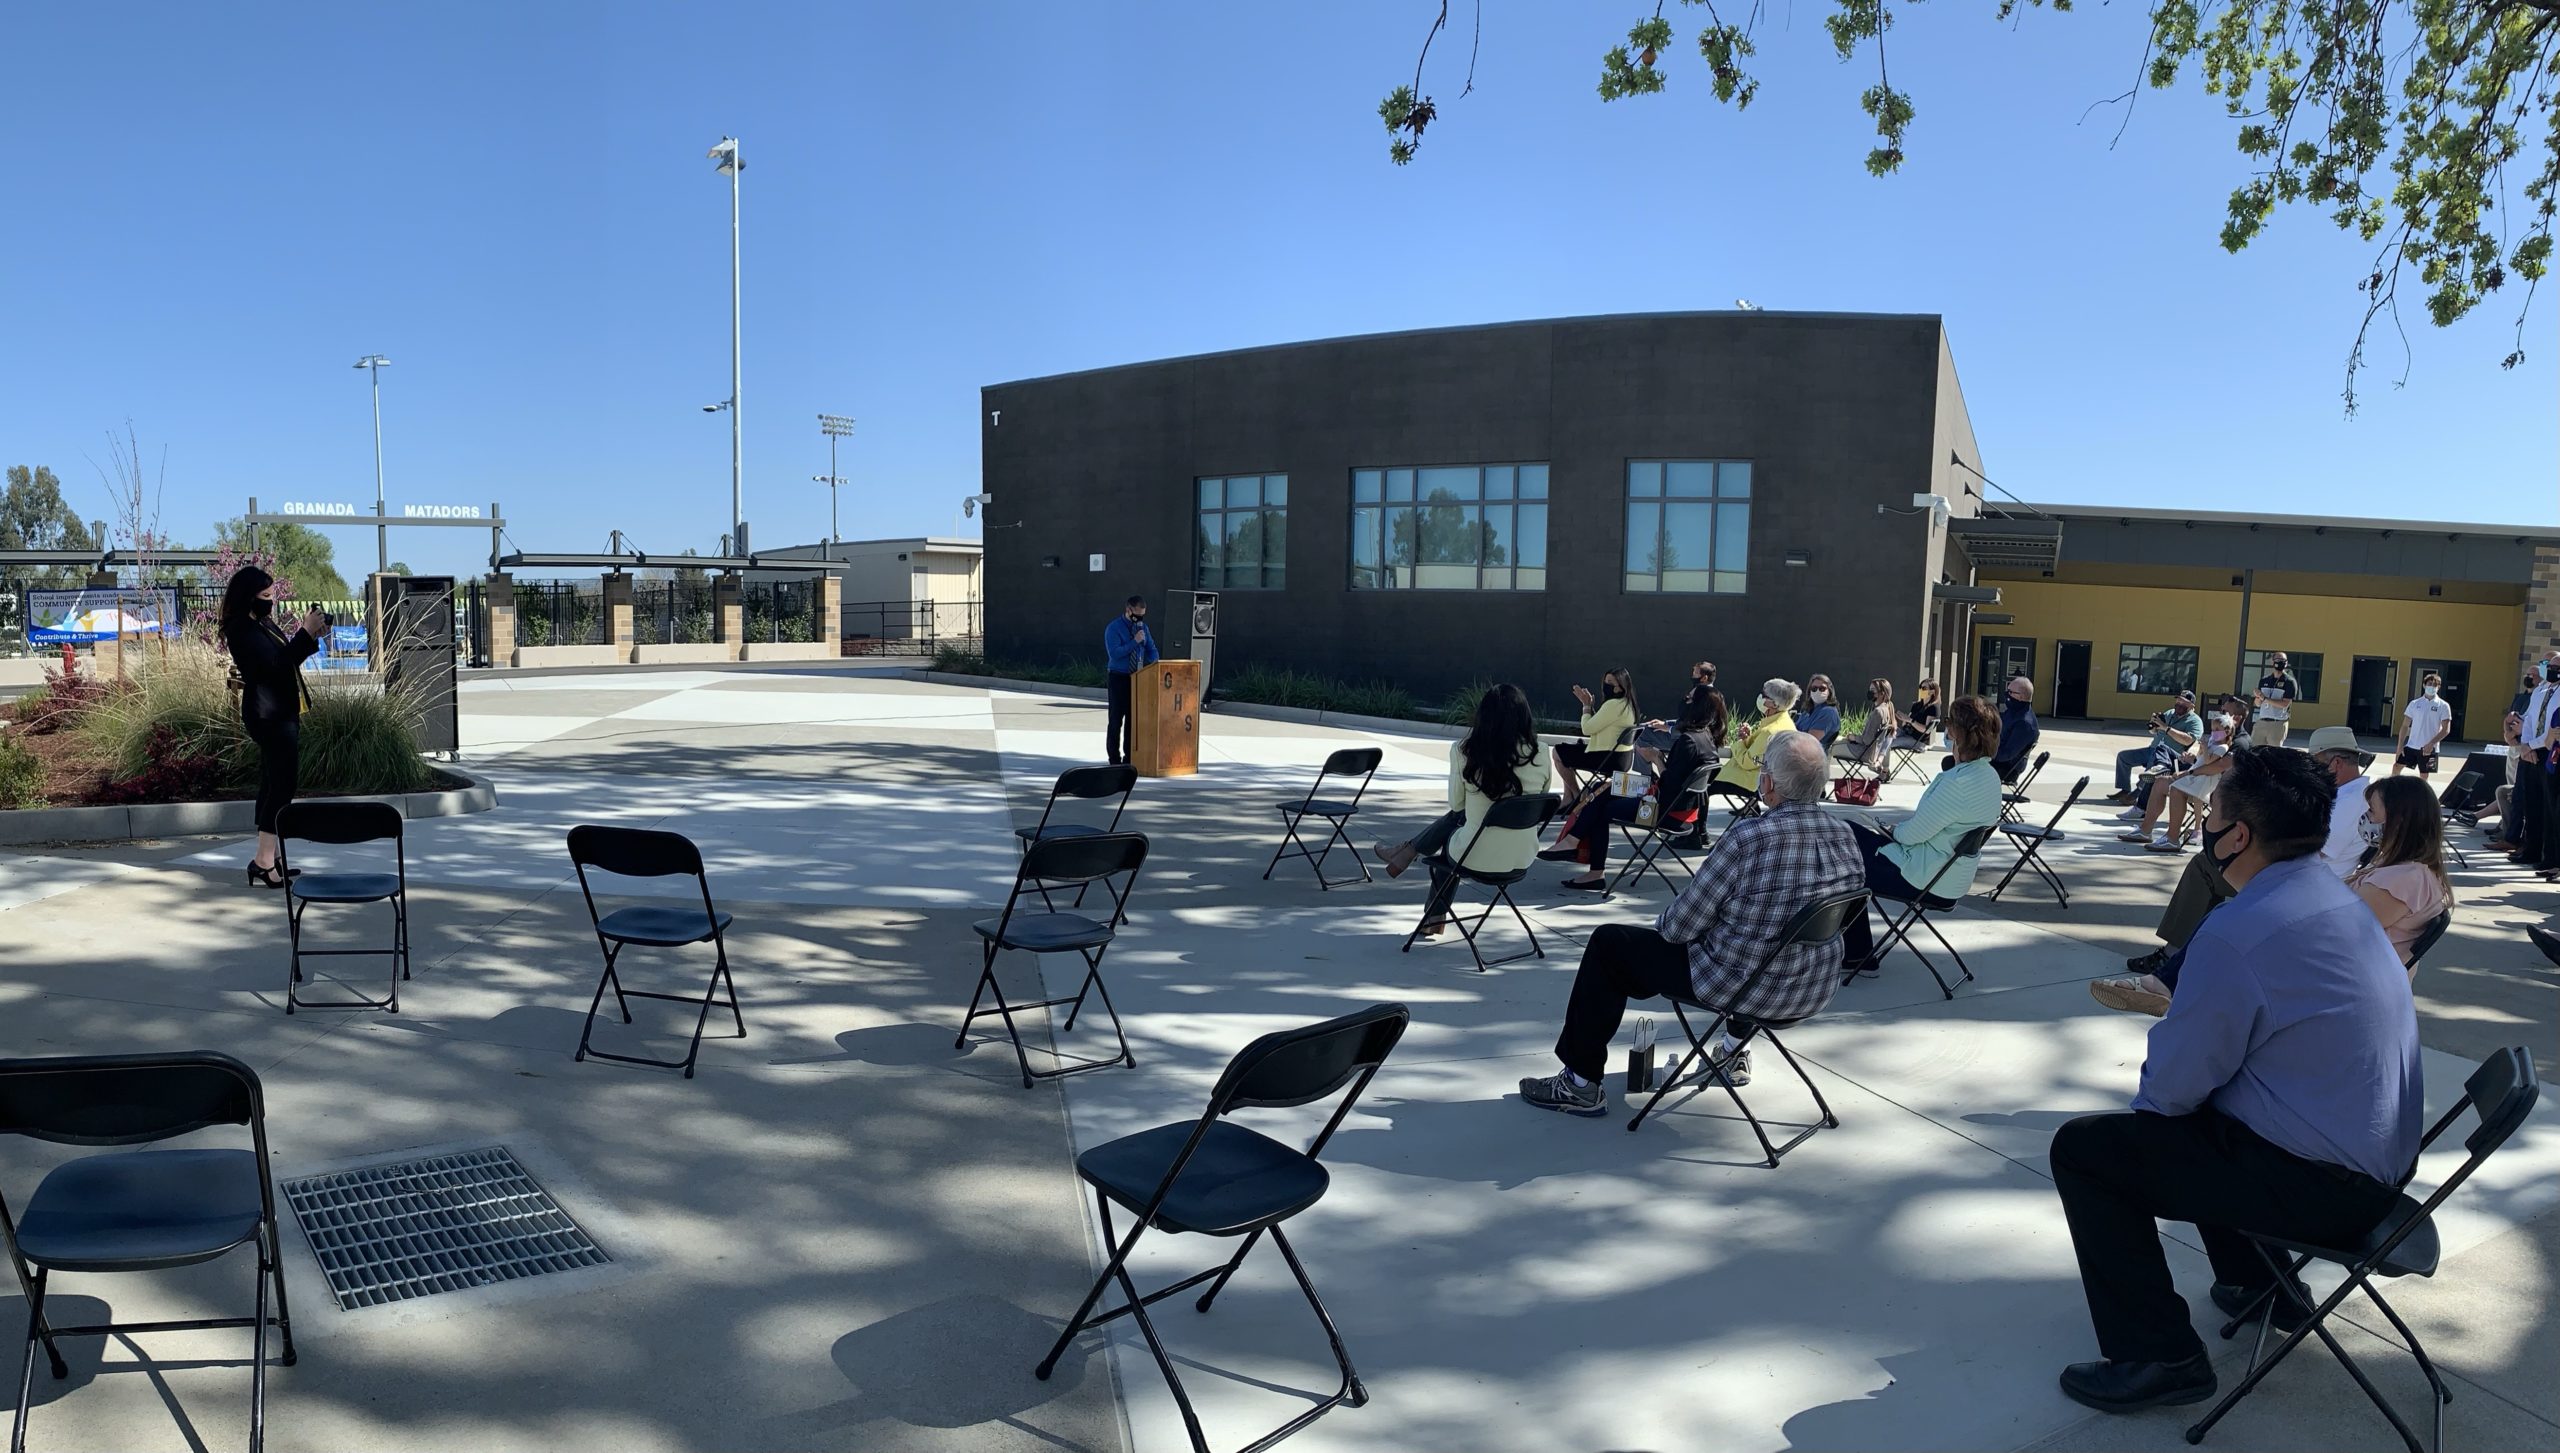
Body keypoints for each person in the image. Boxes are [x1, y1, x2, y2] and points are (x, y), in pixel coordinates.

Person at [2048, 747, 2420, 1415]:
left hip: (2327, 1189)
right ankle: (2261, 1283)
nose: (2204, 820)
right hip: (2375, 1169)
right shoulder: (2333, 897)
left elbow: (2169, 1090)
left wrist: (2160, 1124)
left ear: (2238, 833)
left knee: (2089, 1150)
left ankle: (2160, 1354)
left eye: (2212, 809)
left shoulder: (2240, 930)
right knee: (2216, 1118)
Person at [1517, 732, 1862, 1115]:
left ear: (1767, 783)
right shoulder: (1844, 836)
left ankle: (1579, 1083)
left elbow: (1677, 928)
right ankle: (1732, 1052)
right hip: (1810, 987)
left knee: (1609, 945)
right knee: (1756, 939)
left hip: (1744, 986)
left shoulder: (1749, 838)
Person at [1370, 685, 1551, 938]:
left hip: (1474, 857)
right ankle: (1409, 856)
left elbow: (1457, 806)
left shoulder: (1464, 750)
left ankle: (1417, 873)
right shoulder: (1541, 752)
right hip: (1521, 857)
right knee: (1464, 827)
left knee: (1456, 830)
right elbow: (1543, 797)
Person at [1839, 695, 2005, 966]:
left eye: (1949, 723)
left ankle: (1859, 953)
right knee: (1849, 837)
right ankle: (1859, 951)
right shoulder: (1989, 776)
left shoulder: (1958, 782)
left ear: (1960, 733)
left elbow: (1913, 834)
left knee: (1843, 853)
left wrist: (1892, 831)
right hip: (1949, 876)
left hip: (1924, 877)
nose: (1946, 730)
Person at [218, 565, 325, 889]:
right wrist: (304, 633)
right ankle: (264, 862)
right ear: (249, 597)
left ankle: (270, 858)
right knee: (281, 784)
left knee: (274, 781)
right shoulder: (241, 629)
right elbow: (274, 667)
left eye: (273, 594)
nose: (272, 600)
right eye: (266, 596)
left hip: (279, 710)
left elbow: (285, 660)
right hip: (268, 714)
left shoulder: (260, 624)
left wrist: (311, 636)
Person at [2345, 776, 2453, 970]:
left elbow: (2341, 928)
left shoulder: (2404, 880)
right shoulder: (2404, 868)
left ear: (2398, 820)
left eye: (2371, 810)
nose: (2365, 818)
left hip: (2358, 980)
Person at [2119, 701, 2238, 852]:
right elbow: (2201, 760)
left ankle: (2172, 838)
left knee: (2176, 788)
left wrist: (2201, 753)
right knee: (2160, 782)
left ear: (2227, 731)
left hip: (2203, 784)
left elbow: (2210, 764)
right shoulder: (2214, 743)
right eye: (2213, 729)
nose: (2214, 732)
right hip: (2194, 777)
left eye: (2217, 730)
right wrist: (2193, 757)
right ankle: (2145, 830)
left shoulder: (2225, 746)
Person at [1552, 668, 1638, 800]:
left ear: (1620, 687)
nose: (1605, 685)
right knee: (1567, 751)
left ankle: (1576, 795)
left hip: (1605, 758)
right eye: (1605, 681)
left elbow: (1587, 729)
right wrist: (1591, 708)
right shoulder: (1627, 704)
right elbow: (1600, 723)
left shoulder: (1613, 705)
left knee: (1557, 752)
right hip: (1622, 759)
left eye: (1610, 682)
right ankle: (1568, 798)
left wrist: (1586, 706)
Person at [2105, 690, 2201, 804]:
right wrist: (2154, 725)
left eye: (2184, 702)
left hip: (2169, 756)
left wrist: (2166, 728)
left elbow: (2188, 740)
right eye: (2178, 700)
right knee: (2124, 757)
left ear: (2191, 706)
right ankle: (2125, 789)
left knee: (2151, 766)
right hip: (2152, 749)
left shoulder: (2195, 721)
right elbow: (2154, 732)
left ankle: (2137, 794)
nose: (2179, 704)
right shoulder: (2170, 713)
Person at [2305, 725, 2374, 878]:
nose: (2311, 771)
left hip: (2316, 888)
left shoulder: (2352, 801)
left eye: (2314, 764)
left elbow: (2310, 851)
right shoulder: (2350, 794)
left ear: (2336, 764)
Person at [1101, 595, 1159, 766]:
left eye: (1143, 616)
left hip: (1138, 677)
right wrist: (1135, 641)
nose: (1139, 619)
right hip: (1119, 677)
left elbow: (1151, 649)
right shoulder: (1114, 628)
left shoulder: (1143, 628)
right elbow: (1115, 653)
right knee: (1116, 719)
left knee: (1133, 721)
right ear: (1128, 610)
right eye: (1137, 615)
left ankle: (1129, 758)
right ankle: (1114, 759)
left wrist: (1156, 663)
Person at [1716, 679, 1799, 792]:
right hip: (1772, 781)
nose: (1760, 696)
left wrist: (1739, 741)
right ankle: (1750, 809)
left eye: (1764, 695)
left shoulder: (1770, 731)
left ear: (1774, 704)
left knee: (1707, 784)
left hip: (1754, 782)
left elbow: (1747, 762)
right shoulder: (1784, 722)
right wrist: (1748, 739)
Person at [1650, 660, 1729, 750]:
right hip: (1687, 734)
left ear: (1704, 678)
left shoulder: (1706, 697)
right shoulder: (1710, 693)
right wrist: (1665, 723)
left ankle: (1658, 760)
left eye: (1695, 673)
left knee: (1644, 735)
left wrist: (1669, 728)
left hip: (1692, 741)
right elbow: (1687, 719)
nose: (1692, 676)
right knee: (1649, 727)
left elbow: (1696, 725)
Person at [1828, 678, 1899, 775]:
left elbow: (1867, 740)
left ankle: (1821, 777)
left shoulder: (1878, 712)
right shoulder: (1887, 709)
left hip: (1863, 752)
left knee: (1829, 747)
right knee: (1835, 739)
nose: (1870, 692)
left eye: (1873, 690)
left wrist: (1853, 737)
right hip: (1870, 752)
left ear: (1882, 693)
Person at [2393, 671, 2453, 781]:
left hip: (2430, 748)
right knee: (2396, 767)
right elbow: (2405, 725)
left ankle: (2420, 797)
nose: (2432, 687)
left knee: (2424, 775)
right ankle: (2391, 790)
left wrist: (2431, 744)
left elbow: (2446, 730)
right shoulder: (2415, 704)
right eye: (2429, 684)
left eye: (2435, 685)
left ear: (2438, 687)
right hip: (2412, 745)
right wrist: (2400, 745)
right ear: (2424, 685)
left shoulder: (2443, 706)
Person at [2250, 652, 2304, 747]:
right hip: (2262, 722)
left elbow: (2284, 704)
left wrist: (2265, 698)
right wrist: (2258, 696)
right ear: (2272, 662)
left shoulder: (2290, 682)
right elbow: (2257, 704)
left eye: (2283, 661)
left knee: (2273, 754)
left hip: (2277, 723)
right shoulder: (2264, 680)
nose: (2280, 662)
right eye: (2278, 660)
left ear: (2286, 663)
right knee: (2254, 751)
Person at [1993, 675, 2041, 781]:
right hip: (1995, 759)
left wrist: (1983, 753)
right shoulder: (2013, 712)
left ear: (2021, 697)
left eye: (2010, 692)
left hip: (2006, 768)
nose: (2007, 695)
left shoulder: (2025, 724)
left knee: (1958, 766)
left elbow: (2006, 754)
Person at [1896, 678, 1941, 749]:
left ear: (1932, 691)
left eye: (1924, 688)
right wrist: (1904, 719)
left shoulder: (1934, 708)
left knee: (1889, 742)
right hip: (1907, 733)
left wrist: (1911, 720)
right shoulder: (1916, 705)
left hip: (1918, 741)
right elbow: (1905, 724)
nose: (1921, 690)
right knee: (1886, 733)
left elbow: (1926, 730)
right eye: (1920, 687)